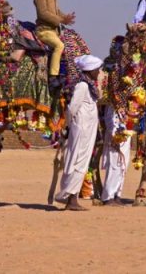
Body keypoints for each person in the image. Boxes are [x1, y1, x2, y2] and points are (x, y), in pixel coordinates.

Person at [55, 54, 103, 211]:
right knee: (77, 161)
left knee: (81, 161)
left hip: (87, 130)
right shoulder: (82, 86)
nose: (99, 72)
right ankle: (71, 199)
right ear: (90, 70)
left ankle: (71, 197)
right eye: (97, 69)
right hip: (81, 130)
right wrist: (69, 126)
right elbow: (72, 108)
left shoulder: (89, 86)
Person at [33, 0, 76, 89]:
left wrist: (65, 17)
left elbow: (56, 11)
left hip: (54, 30)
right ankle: (53, 77)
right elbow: (43, 13)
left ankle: (64, 75)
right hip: (44, 30)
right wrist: (61, 21)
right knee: (59, 45)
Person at [101, 104, 130, 206]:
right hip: (115, 138)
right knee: (114, 166)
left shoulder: (127, 104)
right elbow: (109, 121)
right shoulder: (111, 104)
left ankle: (117, 195)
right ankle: (108, 197)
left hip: (125, 137)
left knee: (123, 166)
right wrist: (115, 136)